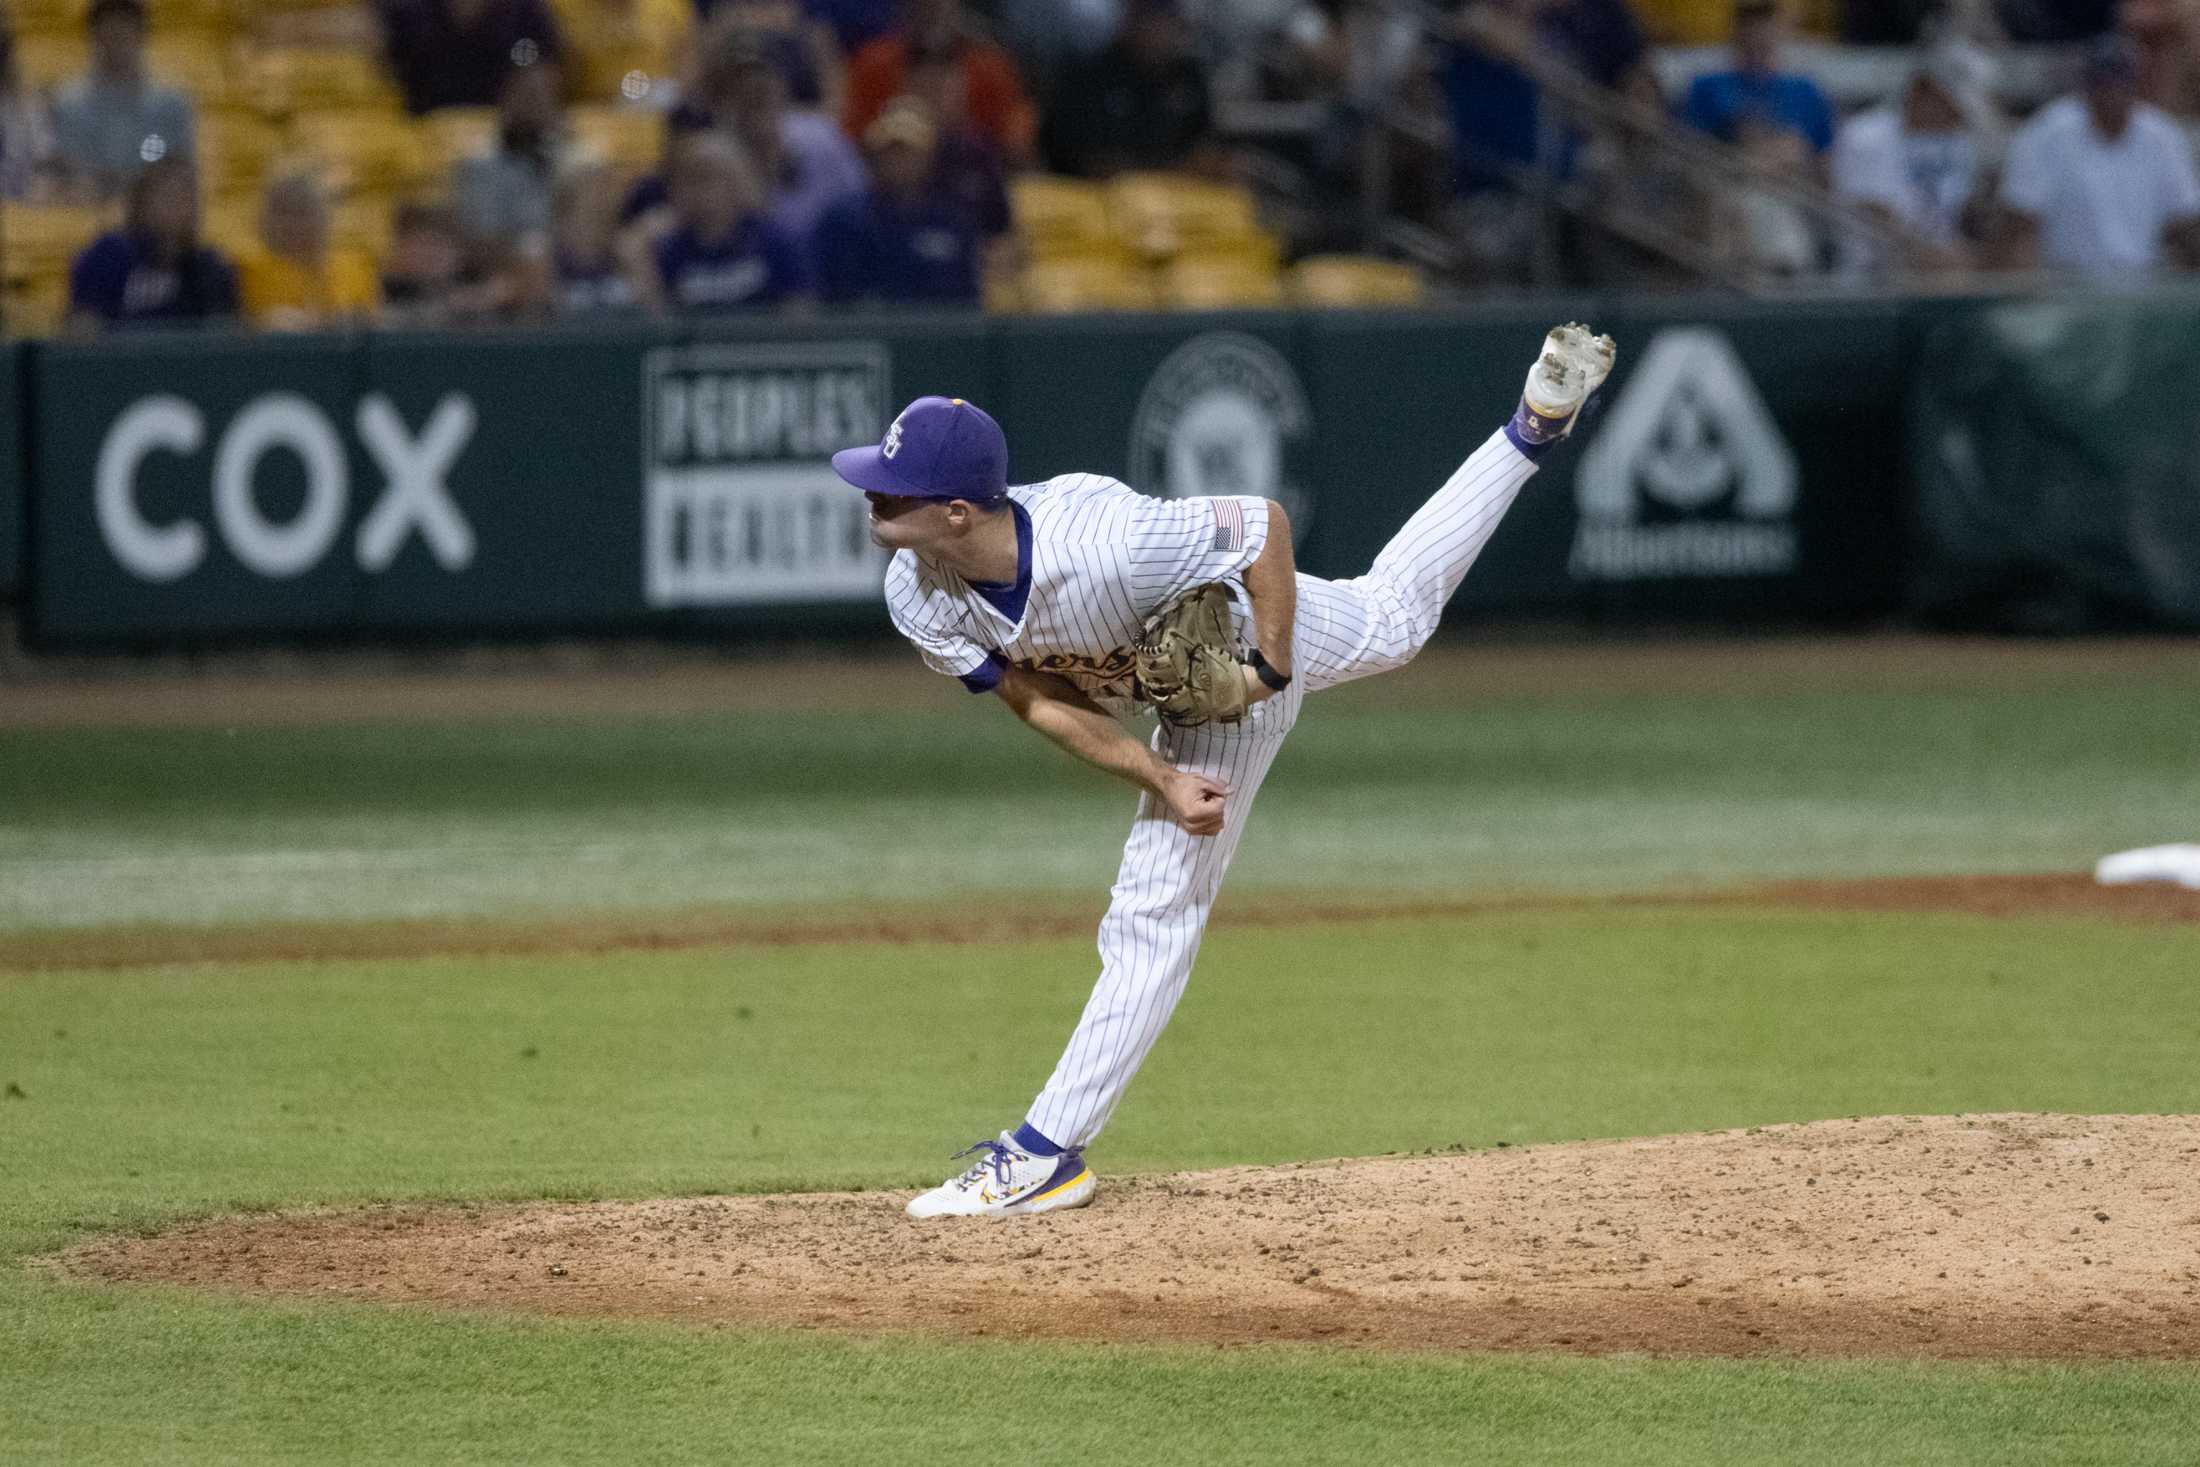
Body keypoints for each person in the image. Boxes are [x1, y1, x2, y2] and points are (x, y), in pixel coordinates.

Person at [834, 324, 1616, 1217]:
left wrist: (1271, 669)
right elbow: (1034, 697)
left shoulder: (1112, 541)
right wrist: (1156, 776)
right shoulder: (917, 588)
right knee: (1394, 619)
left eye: (888, 492)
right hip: (1164, 671)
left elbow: (1261, 525)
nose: (869, 499)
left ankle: (1047, 1152)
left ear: (957, 511)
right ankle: (1532, 427)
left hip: (1238, 642)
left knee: (1155, 907)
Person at [1998, 33, 2200, 279]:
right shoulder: (2047, 132)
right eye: (2103, 83)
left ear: (2133, 85)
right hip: (2066, 284)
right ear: (2087, 86)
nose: (2112, 92)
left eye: (2120, 82)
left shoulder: (2162, 136)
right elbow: (2020, 220)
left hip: (2143, 283)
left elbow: (2185, 220)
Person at [1829, 45, 1991, 277]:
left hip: (1944, 271)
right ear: (1922, 91)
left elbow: (1956, 214)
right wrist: (1934, 255)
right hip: (1873, 274)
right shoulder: (1866, 134)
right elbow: (1871, 214)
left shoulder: (1958, 145)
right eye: (1949, 107)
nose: (1954, 119)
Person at [814, 99, 983, 304]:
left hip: (937, 333)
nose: (898, 161)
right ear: (874, 156)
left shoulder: (953, 221)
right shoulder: (846, 221)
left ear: (928, 157)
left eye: (908, 152)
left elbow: (968, 297)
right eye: (890, 151)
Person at [1039, 0, 1217, 178]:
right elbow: (1087, 158)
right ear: (1130, 22)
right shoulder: (1090, 76)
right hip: (1093, 196)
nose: (1161, 31)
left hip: (1177, 193)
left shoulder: (1188, 76)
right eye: (1152, 22)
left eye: (1169, 21)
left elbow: (1204, 147)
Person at [843, 0, 1036, 163]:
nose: (932, 13)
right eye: (923, 7)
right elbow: (853, 142)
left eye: (938, 6)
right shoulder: (875, 65)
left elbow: (1017, 143)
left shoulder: (989, 68)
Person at [639, 131, 811, 311]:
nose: (697, 191)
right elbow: (658, 322)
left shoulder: (776, 241)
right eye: (687, 180)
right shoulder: (670, 249)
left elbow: (800, 313)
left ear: (740, 181)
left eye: (707, 178)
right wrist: (638, 253)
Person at [448, 57, 570, 306]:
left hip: (564, 275)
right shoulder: (479, 165)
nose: (535, 107)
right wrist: (524, 263)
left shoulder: (577, 161)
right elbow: (476, 239)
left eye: (544, 96)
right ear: (506, 99)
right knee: (531, 250)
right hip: (497, 274)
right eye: (527, 96)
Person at [49, 0, 195, 199]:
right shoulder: (67, 104)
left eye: (126, 23)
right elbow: (62, 177)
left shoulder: (171, 105)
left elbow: (183, 176)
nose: (117, 32)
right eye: (107, 24)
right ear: (93, 34)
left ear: (141, 33)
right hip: (83, 210)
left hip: (151, 219)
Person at [68, 156, 236, 328]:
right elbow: (83, 327)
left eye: (190, 198)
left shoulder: (210, 267)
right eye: (171, 197)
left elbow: (223, 334)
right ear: (143, 203)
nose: (184, 208)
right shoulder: (107, 256)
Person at [1679, 0, 1835, 160]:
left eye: (1764, 23)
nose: (1756, 33)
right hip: (1728, 176)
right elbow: (1689, 154)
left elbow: (1824, 158)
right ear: (1735, 32)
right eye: (1748, 25)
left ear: (1780, 29)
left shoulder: (1805, 92)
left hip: (1790, 179)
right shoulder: (1707, 89)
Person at [235, 167, 381, 327]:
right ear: (264, 221)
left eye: (303, 211)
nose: (293, 223)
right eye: (283, 212)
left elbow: (372, 322)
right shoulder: (248, 272)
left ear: (324, 217)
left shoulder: (356, 269)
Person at [377, 0, 564, 114]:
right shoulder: (404, 8)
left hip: (498, 124)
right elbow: (383, 57)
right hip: (420, 125)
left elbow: (538, 62)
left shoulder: (522, 9)